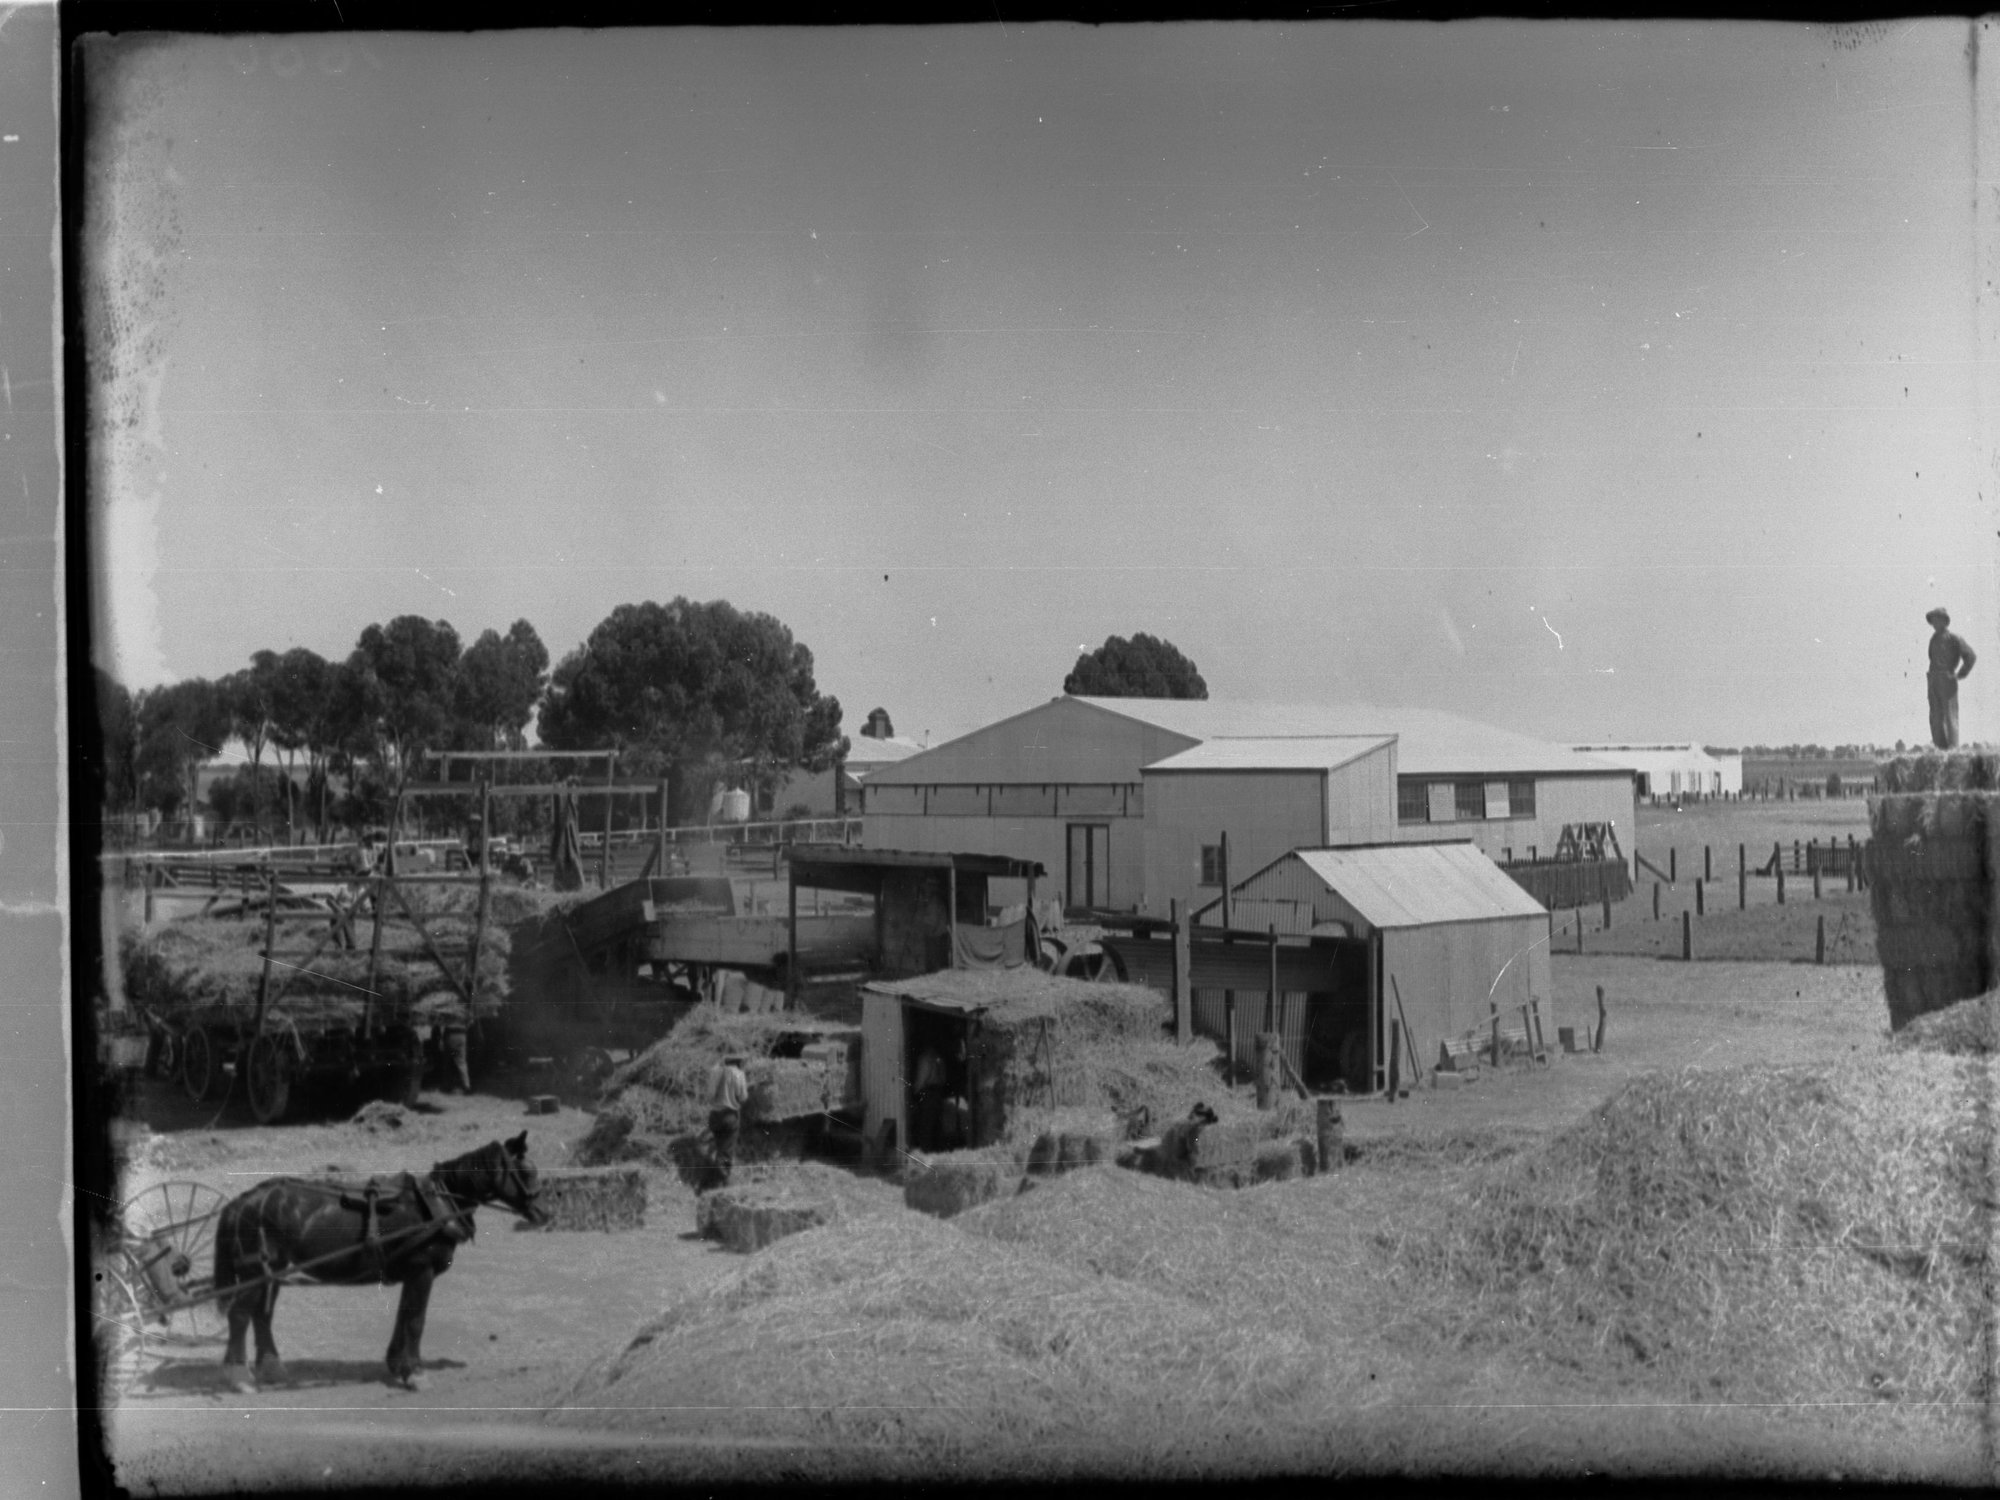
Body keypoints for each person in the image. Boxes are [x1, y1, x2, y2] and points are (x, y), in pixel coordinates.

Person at [1926, 608, 1978, 750]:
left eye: (1936, 619)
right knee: (1935, 718)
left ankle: (1953, 750)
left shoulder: (1955, 638)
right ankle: (1940, 750)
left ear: (1944, 621)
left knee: (1950, 716)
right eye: (1932, 620)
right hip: (1933, 679)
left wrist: (1959, 674)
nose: (1934, 623)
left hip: (1946, 679)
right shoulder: (1933, 639)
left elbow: (1971, 656)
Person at [704, 1053, 750, 1191]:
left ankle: (714, 1180)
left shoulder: (715, 1071)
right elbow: (743, 1097)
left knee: (719, 1148)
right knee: (726, 1151)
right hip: (730, 1117)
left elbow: (709, 1096)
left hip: (714, 1116)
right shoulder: (739, 1074)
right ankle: (722, 1184)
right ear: (739, 1061)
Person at [912, 1044, 946, 1152]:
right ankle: (938, 1152)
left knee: (925, 1126)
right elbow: (943, 1078)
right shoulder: (939, 1058)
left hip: (928, 1093)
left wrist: (915, 1092)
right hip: (938, 1093)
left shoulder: (924, 1059)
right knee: (937, 1125)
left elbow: (922, 1078)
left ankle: (925, 1153)